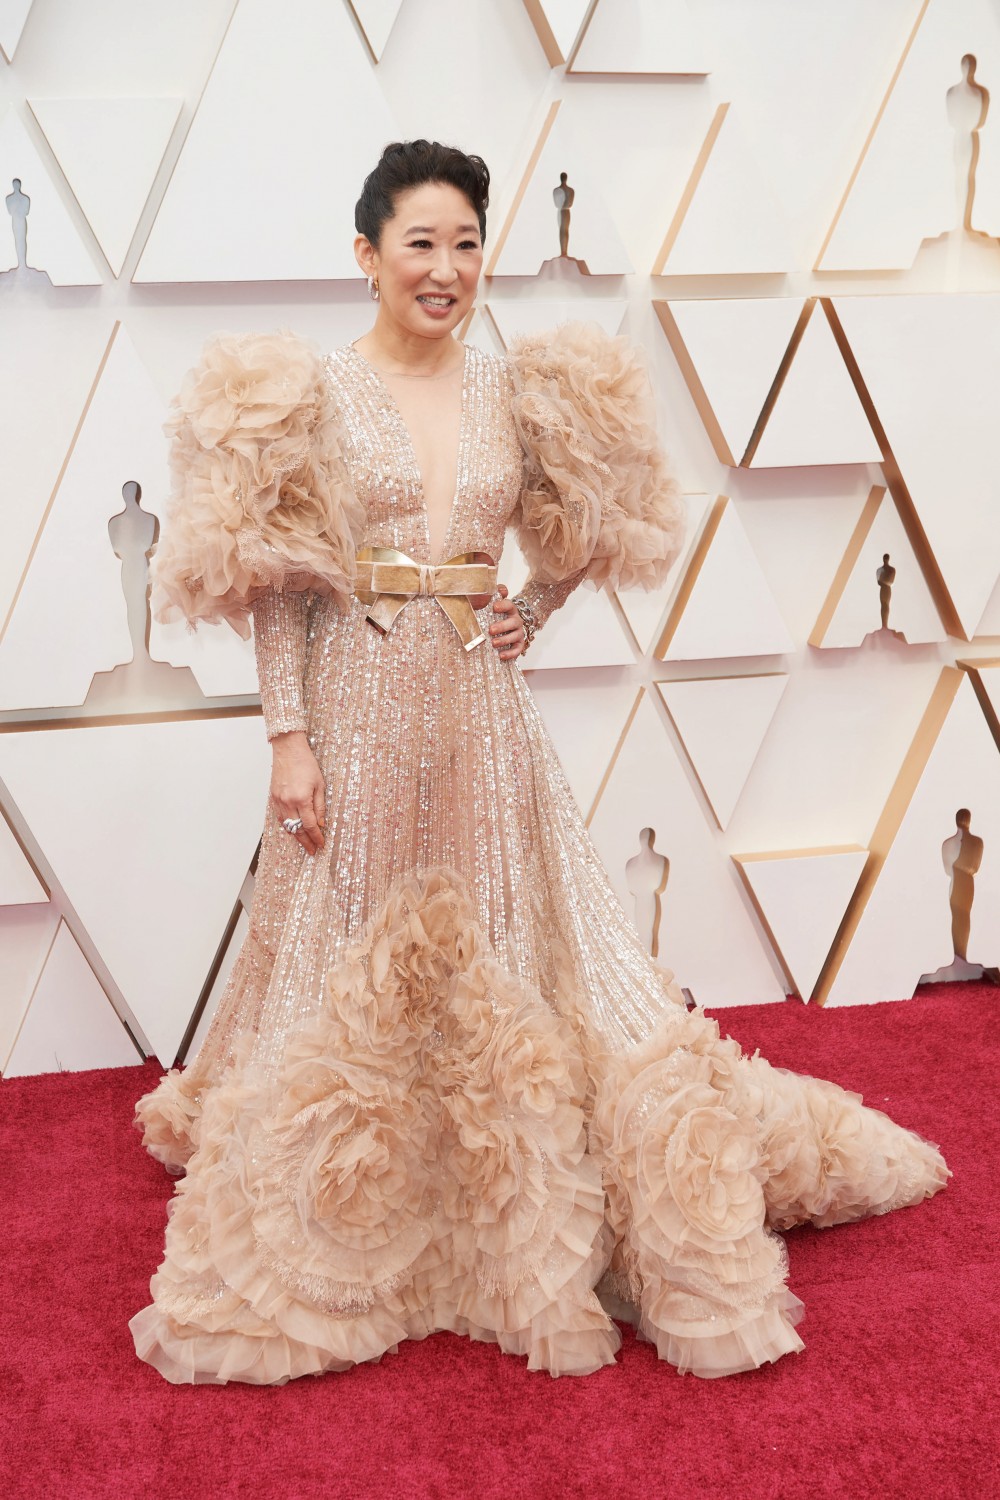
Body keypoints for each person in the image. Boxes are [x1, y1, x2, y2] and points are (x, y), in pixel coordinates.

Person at [130, 140, 948, 1386]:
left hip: (477, 715)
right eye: (421, 243)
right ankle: (350, 1197)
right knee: (343, 951)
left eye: (466, 243)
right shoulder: (311, 396)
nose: (447, 267)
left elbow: (593, 519)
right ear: (366, 257)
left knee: (514, 955)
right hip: (352, 705)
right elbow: (276, 595)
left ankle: (512, 1193)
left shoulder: (517, 388)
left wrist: (537, 606)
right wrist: (286, 741)